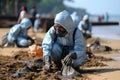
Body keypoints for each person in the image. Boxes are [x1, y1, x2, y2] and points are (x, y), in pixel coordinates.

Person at [42, 10, 87, 77]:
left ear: (67, 26)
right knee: (53, 49)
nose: (58, 29)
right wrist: (47, 62)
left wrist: (72, 55)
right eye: (57, 26)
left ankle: (73, 66)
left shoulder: (77, 32)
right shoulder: (53, 29)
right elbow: (46, 44)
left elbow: (81, 50)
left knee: (81, 58)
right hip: (59, 50)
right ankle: (57, 64)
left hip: (71, 52)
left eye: (60, 27)